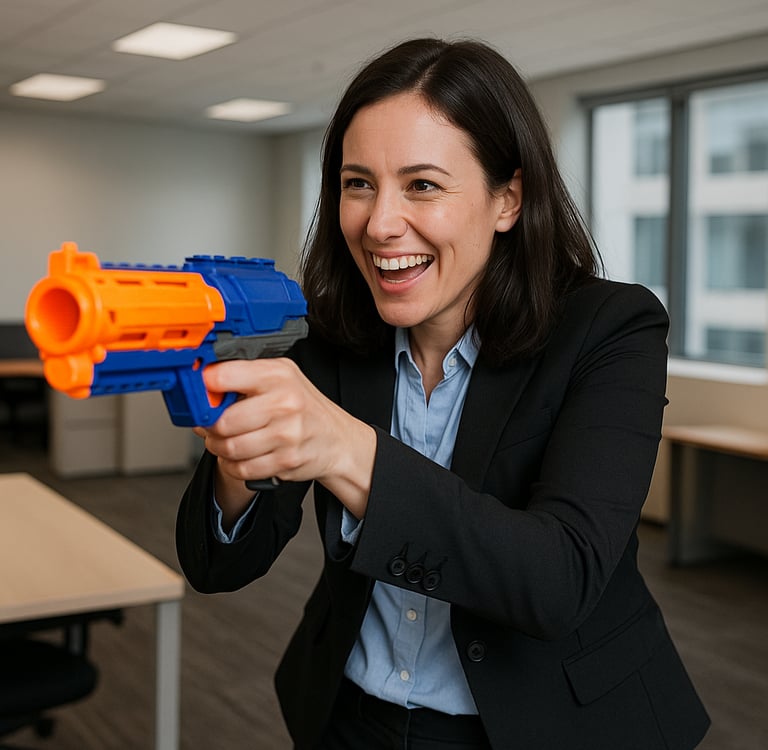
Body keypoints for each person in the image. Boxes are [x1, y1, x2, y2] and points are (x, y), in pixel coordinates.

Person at [176, 37, 710, 750]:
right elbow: (218, 566)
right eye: (357, 183)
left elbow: (559, 579)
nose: (379, 223)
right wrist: (238, 460)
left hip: (545, 726)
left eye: (422, 185)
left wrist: (348, 451)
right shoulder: (328, 337)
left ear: (507, 200)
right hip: (350, 714)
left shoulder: (611, 329)